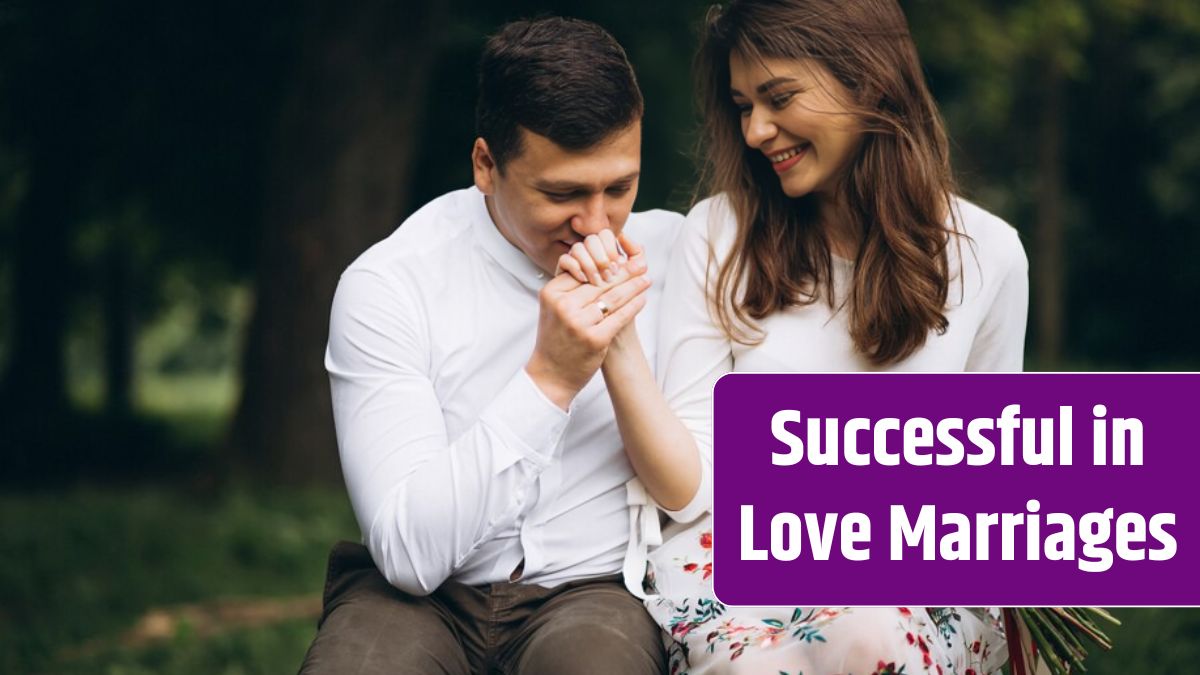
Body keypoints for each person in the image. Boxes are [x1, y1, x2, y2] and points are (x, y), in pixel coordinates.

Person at [557, 0, 1028, 673]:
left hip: (905, 569)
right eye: (743, 104)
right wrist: (620, 344)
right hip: (739, 560)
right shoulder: (719, 234)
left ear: (867, 79)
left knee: (868, 633)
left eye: (778, 97)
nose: (755, 130)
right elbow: (688, 491)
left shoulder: (989, 255)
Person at [299, 16, 683, 675]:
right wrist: (551, 379)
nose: (595, 222)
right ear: (486, 164)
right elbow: (410, 557)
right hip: (421, 597)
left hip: (593, 588)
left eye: (619, 188)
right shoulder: (391, 286)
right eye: (561, 193)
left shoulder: (677, 257)